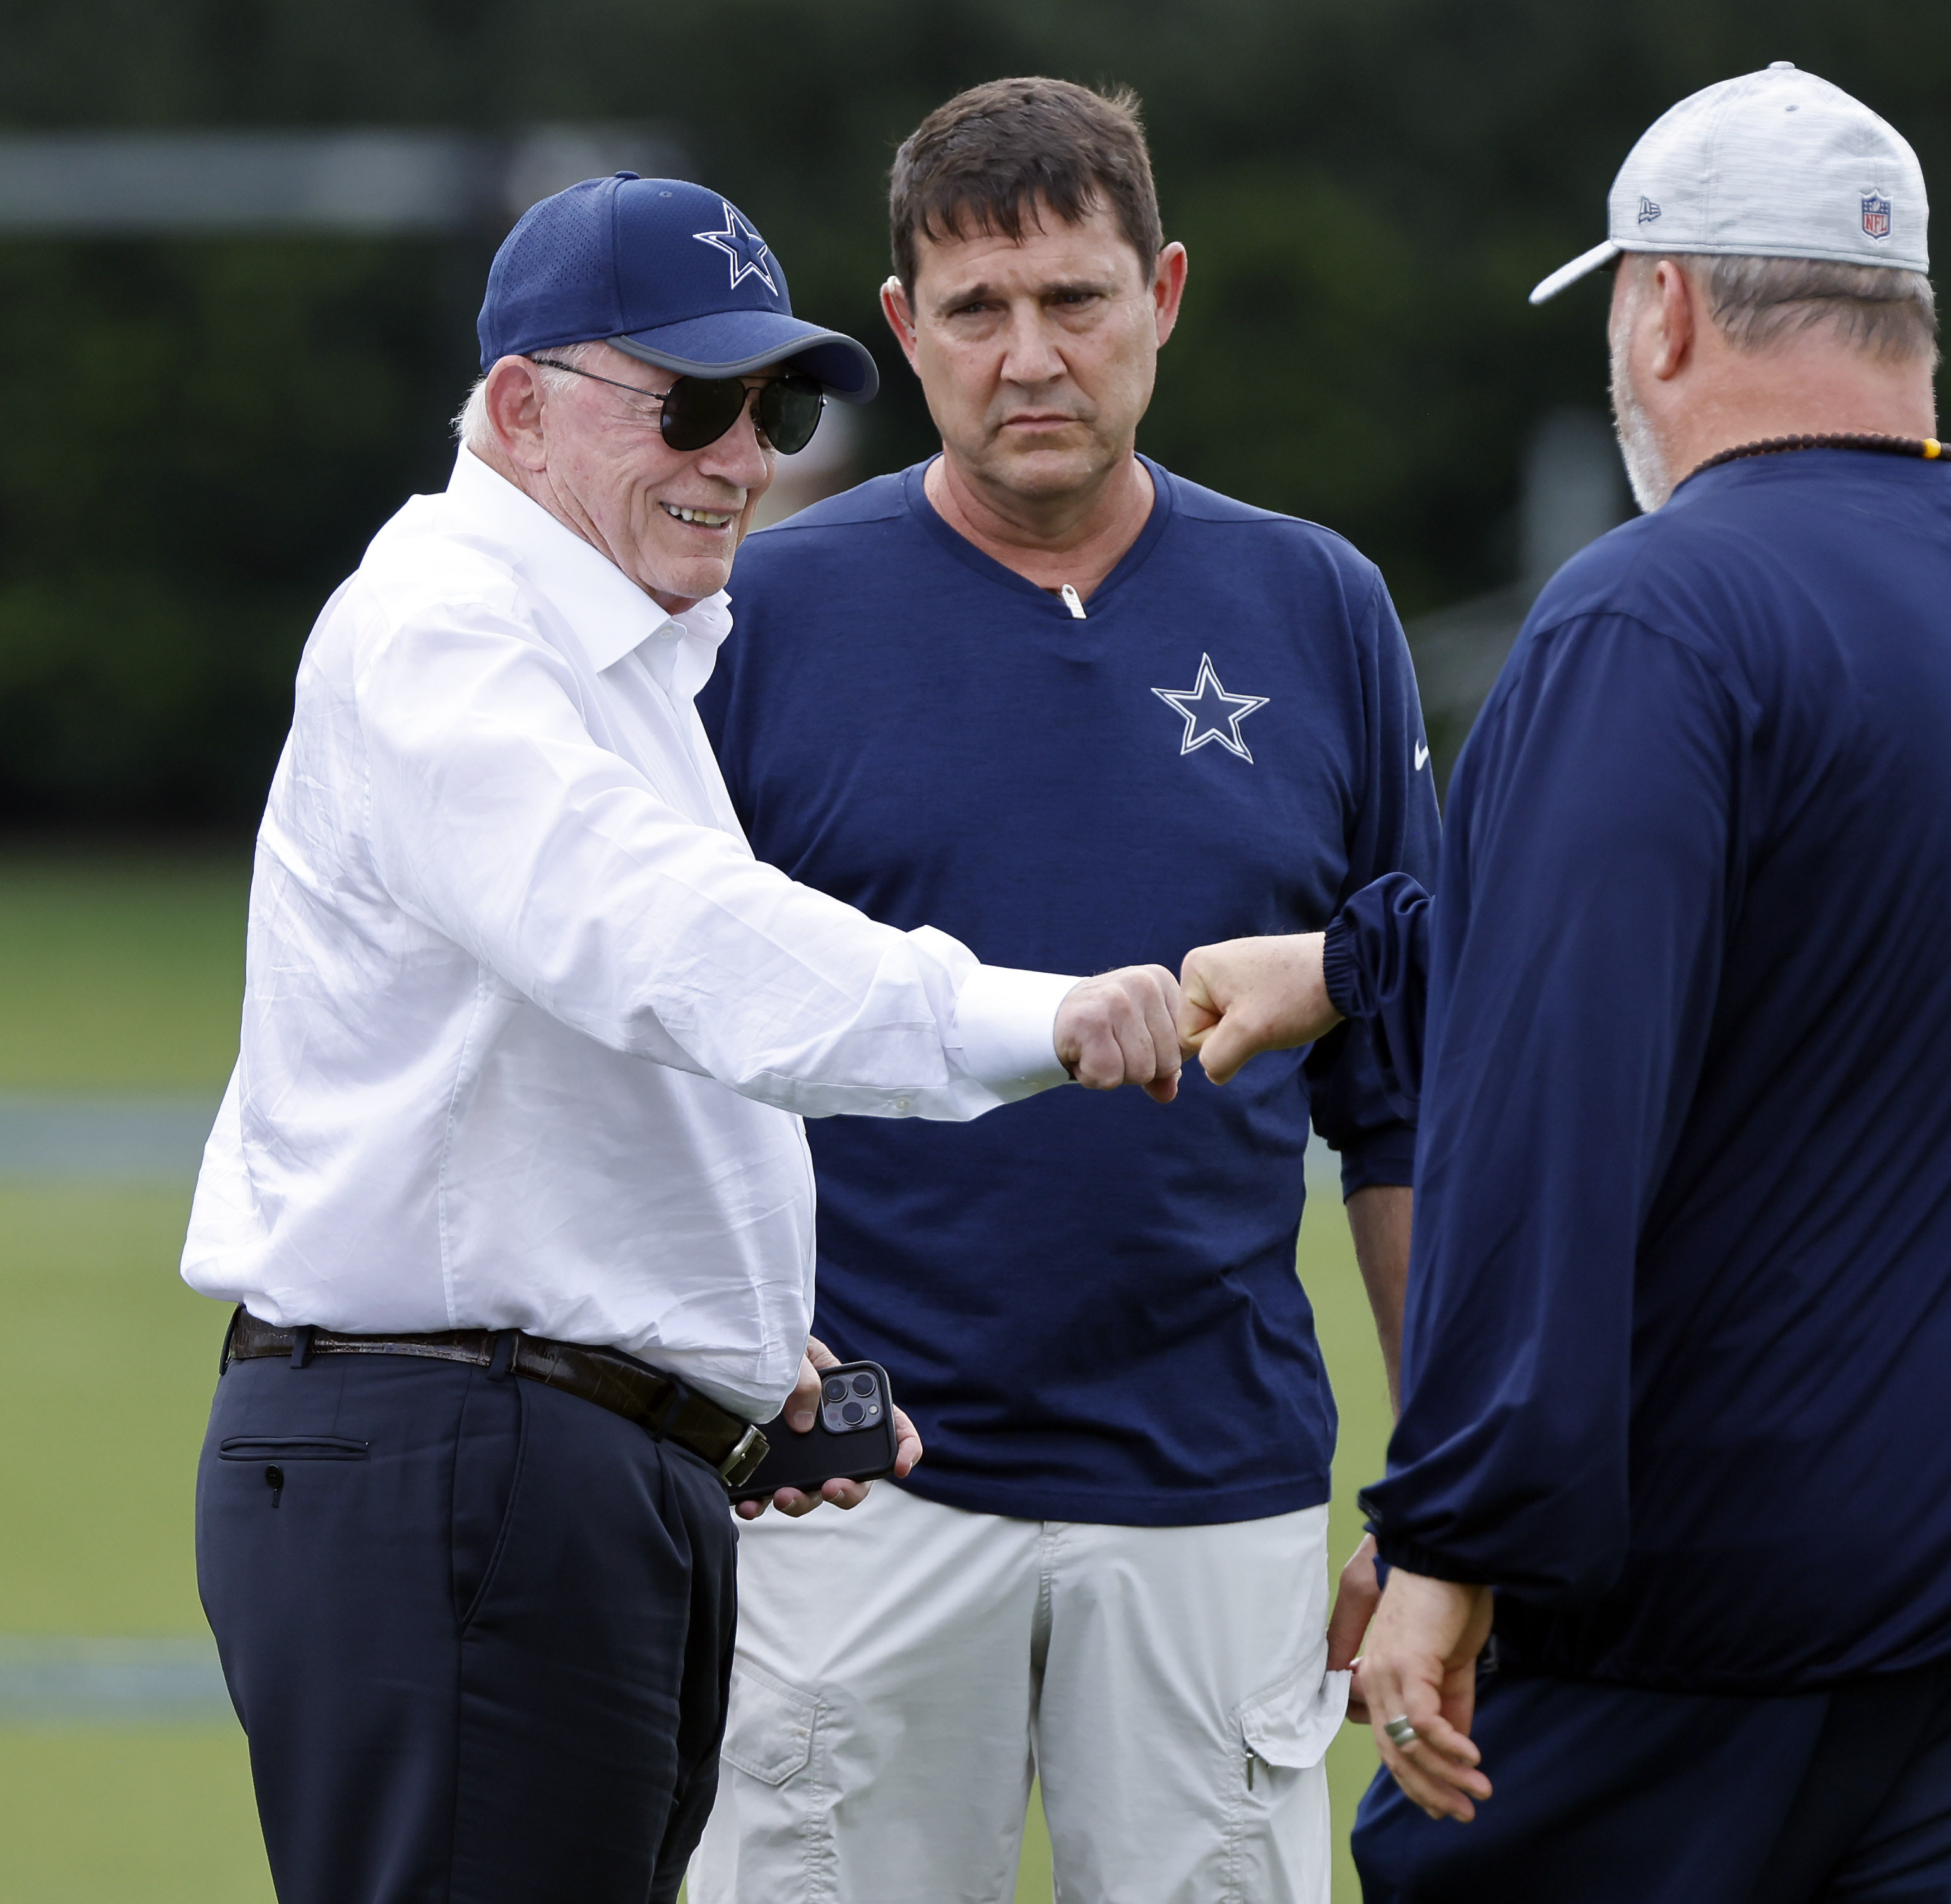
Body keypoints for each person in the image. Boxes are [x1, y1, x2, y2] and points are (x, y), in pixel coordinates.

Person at [1179, 64, 1951, 1904]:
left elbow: (1554, 1106)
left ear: (1669, 305)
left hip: (1712, 1631)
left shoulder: (1651, 615)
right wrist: (1349, 960)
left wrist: (1452, 1540)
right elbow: (1805, 929)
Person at [182, 169, 1186, 1904]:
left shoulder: (609, 649)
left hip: (538, 1464)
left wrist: (721, 1351)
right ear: (518, 406)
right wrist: (1037, 1016)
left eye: (776, 407)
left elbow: (561, 1064)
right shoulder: (446, 634)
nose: (746, 457)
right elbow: (663, 942)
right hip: (451, 1468)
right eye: (696, 403)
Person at [685, 79, 1437, 1904]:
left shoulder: (1319, 606)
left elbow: (1405, 1100)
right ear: (901, 331)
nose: (1031, 356)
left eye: (1077, 300)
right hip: (849, 1491)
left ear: (1164, 293)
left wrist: (1441, 1505)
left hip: (1216, 1489)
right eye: (977, 309)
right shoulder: (756, 622)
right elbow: (666, 1048)